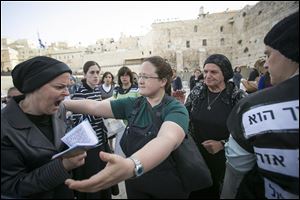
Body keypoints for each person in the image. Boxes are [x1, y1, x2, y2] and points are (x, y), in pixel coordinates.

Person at [63, 56, 190, 198]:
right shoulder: (134, 104)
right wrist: (62, 104)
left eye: (146, 77)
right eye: (140, 76)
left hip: (167, 186)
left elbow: (166, 139)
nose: (140, 81)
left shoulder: (176, 109)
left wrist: (132, 165)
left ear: (163, 81)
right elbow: (95, 106)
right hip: (136, 185)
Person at [221, 11, 299, 199]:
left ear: (288, 51)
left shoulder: (252, 107)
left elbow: (236, 174)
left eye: (268, 54)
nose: (265, 64)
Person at [1, 56, 87, 199]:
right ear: (34, 87)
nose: (67, 93)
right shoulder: (5, 127)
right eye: (60, 87)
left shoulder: (58, 110)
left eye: (67, 87)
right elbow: (12, 187)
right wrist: (63, 166)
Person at [185, 54, 247, 199]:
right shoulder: (197, 91)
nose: (207, 75)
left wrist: (222, 144)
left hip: (224, 160)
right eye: (205, 71)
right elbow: (185, 116)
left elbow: (245, 133)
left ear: (224, 73)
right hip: (196, 157)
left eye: (213, 72)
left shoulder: (237, 97)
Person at [68, 61, 112, 199]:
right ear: (85, 74)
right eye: (92, 72)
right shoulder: (79, 94)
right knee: (93, 182)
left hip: (101, 142)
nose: (96, 76)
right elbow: (77, 122)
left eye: (98, 72)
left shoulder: (96, 91)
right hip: (89, 146)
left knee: (104, 179)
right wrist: (98, 112)